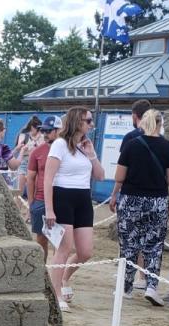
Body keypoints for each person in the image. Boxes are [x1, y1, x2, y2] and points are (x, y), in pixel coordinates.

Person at [109, 109, 169, 306]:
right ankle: (151, 286)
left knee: (129, 244)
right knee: (154, 245)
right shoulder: (168, 147)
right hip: (157, 200)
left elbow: (119, 177)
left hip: (131, 199)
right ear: (160, 124)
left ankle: (126, 287)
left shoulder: (132, 145)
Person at [44, 106, 105, 311]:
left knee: (85, 251)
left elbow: (100, 175)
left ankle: (62, 279)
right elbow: (48, 178)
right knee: (64, 247)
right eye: (88, 121)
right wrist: (49, 209)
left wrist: (91, 154)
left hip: (83, 198)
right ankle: (56, 293)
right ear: (77, 121)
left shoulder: (85, 146)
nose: (91, 124)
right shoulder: (60, 144)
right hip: (63, 196)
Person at [25, 115, 60, 258]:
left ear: (58, 131)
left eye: (48, 131)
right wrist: (31, 202)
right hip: (40, 200)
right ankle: (43, 272)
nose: (45, 134)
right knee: (41, 239)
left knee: (60, 241)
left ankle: (57, 274)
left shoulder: (68, 150)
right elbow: (31, 178)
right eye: (43, 131)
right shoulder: (37, 152)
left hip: (61, 199)